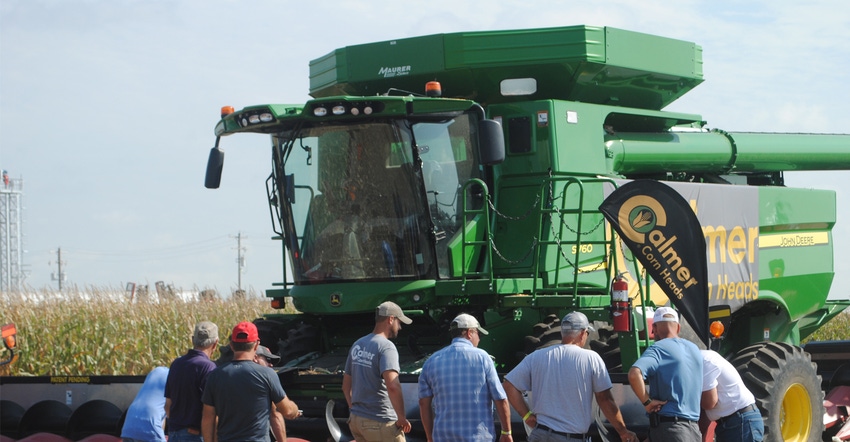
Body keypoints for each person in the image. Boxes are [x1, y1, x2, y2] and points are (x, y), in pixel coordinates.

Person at [503, 312, 637, 442]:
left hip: (540, 435)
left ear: (562, 332)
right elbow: (604, 399)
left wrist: (527, 416)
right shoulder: (591, 358)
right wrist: (623, 432)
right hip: (569, 437)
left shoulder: (536, 356)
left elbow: (509, 385)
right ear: (583, 333)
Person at [417, 313, 512, 442]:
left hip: (443, 437)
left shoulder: (431, 361)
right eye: (478, 334)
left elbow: (423, 403)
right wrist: (506, 432)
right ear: (469, 333)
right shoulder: (483, 357)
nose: (479, 339)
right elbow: (500, 399)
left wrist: (429, 436)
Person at [201, 321, 300, 441]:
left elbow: (208, 418)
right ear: (256, 345)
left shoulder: (215, 375)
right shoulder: (267, 374)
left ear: (231, 345)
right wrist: (295, 410)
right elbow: (288, 411)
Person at [628, 306, 703, 441]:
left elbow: (634, 374)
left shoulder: (658, 349)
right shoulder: (695, 349)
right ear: (678, 328)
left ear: (654, 328)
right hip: (694, 430)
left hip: (670, 429)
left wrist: (647, 402)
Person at [343, 301, 413, 442]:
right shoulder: (387, 347)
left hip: (356, 421)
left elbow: (345, 387)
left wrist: (355, 410)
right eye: (399, 322)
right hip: (380, 421)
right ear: (391, 319)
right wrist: (401, 418)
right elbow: (393, 386)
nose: (399, 327)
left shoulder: (358, 344)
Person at [165, 321, 219, 441]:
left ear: (193, 340)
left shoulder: (176, 364)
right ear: (215, 344)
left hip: (174, 434)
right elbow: (209, 413)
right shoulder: (209, 368)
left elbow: (168, 405)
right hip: (195, 435)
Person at [700, 349, 764, 442]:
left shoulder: (705, 360)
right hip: (731, 424)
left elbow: (709, 403)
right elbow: (706, 413)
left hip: (740, 423)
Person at [121, 366, 169, 442]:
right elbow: (169, 409)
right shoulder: (176, 378)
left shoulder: (157, 371)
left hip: (129, 424)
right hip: (150, 423)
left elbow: (162, 413)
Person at [255, 345, 286, 442]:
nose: (271, 365)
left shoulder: (224, 375)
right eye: (268, 360)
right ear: (255, 358)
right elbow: (275, 415)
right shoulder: (265, 379)